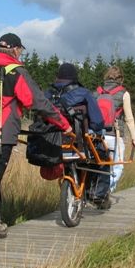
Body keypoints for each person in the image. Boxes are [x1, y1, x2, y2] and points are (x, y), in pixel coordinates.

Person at [0, 33, 72, 252]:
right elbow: (37, 101)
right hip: (1, 137)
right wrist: (63, 124)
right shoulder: (16, 72)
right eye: (20, 50)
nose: (21, 54)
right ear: (14, 50)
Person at [47, 63, 111, 208]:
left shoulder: (47, 94)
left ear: (58, 77)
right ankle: (97, 195)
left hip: (53, 144)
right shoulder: (83, 93)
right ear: (74, 77)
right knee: (104, 158)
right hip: (79, 144)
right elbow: (97, 122)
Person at [95, 66, 135, 193]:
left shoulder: (97, 92)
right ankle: (105, 192)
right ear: (121, 78)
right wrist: (134, 139)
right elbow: (129, 118)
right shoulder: (124, 93)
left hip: (97, 136)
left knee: (98, 166)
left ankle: (96, 192)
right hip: (115, 135)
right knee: (117, 167)